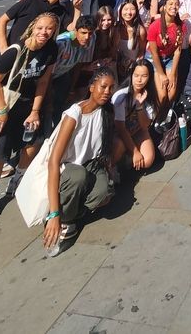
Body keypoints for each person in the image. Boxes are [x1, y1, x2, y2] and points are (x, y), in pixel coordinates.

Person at [0, 12, 59, 223]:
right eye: (41, 28)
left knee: (32, 143)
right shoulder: (14, 51)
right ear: (33, 27)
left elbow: (43, 82)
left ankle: (18, 177)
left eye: (49, 29)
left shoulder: (52, 50)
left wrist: (35, 111)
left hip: (28, 105)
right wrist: (2, 111)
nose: (44, 32)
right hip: (6, 103)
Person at [42, 66, 116, 256]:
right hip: (67, 168)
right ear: (91, 87)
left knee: (103, 193)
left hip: (91, 164)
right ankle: (62, 219)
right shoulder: (74, 114)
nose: (107, 92)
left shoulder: (106, 111)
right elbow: (53, 161)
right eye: (103, 86)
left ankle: (71, 213)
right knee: (78, 176)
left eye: (111, 88)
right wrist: (54, 214)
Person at [0, 0, 73, 52]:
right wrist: (3, 48)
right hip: (15, 51)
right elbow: (1, 21)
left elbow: (72, 28)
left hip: (38, 56)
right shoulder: (31, 0)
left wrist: (77, 9)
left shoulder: (61, 10)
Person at [111, 58, 158, 173]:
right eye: (136, 75)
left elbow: (145, 125)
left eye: (144, 76)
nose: (139, 80)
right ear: (131, 75)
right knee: (120, 144)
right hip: (118, 132)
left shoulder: (148, 95)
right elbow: (120, 128)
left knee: (147, 160)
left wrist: (139, 106)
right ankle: (111, 166)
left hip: (136, 130)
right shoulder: (121, 96)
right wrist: (135, 152)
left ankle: (127, 160)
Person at [49, 16, 96, 130]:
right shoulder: (62, 43)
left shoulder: (89, 40)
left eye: (90, 33)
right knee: (48, 107)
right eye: (83, 33)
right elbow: (48, 70)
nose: (86, 37)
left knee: (61, 105)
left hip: (64, 74)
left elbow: (78, 66)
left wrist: (72, 87)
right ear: (75, 30)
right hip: (49, 77)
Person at [146, 0, 184, 105]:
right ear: (164, 7)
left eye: (176, 4)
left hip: (170, 57)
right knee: (162, 95)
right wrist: (162, 74)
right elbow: (154, 52)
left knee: (171, 92)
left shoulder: (180, 25)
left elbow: (178, 51)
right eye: (171, 4)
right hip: (154, 57)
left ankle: (166, 117)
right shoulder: (155, 26)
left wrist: (172, 74)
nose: (174, 6)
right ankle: (157, 118)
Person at [115, 0, 147, 81]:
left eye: (132, 9)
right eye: (125, 9)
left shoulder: (140, 30)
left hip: (132, 68)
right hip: (116, 65)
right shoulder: (115, 28)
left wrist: (135, 63)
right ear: (120, 11)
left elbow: (141, 51)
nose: (129, 13)